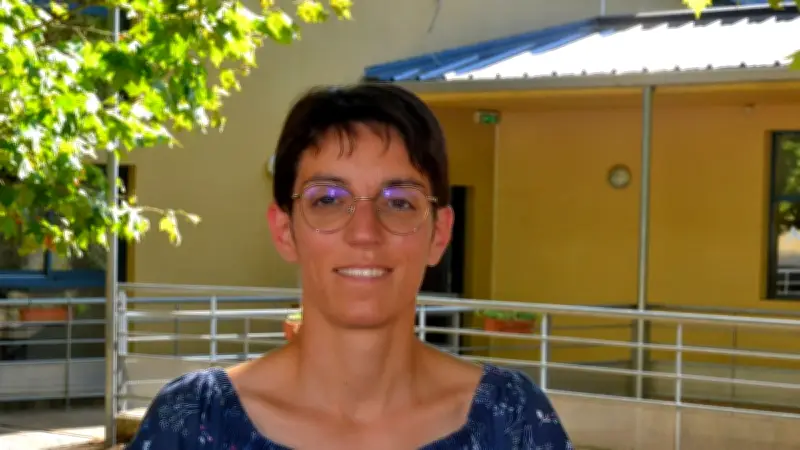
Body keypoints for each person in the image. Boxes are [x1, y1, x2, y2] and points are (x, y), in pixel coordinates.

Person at [125, 83, 573, 449]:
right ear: (285, 230)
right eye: (328, 200)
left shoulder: (511, 421)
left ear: (439, 232)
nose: (364, 232)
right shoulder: (194, 422)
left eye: (399, 202)